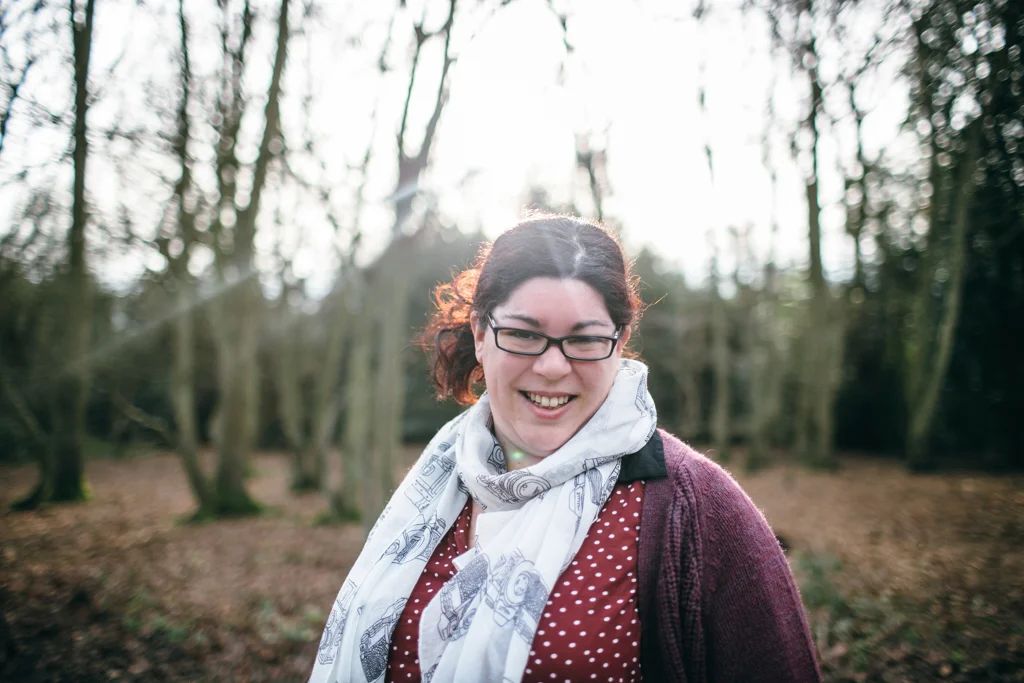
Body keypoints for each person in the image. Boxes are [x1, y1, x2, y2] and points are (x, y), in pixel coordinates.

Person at [309, 215, 822, 683]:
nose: (553, 366)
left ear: (619, 341)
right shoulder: (437, 480)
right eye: (523, 334)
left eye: (584, 340)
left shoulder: (698, 506)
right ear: (481, 334)